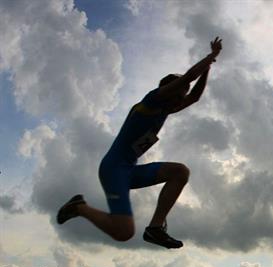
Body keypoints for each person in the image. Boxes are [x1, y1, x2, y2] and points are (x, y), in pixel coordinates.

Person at [57, 37, 223, 249]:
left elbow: (195, 96)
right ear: (168, 91)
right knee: (124, 232)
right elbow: (189, 77)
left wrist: (208, 67)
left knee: (180, 172)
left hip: (130, 170)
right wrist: (211, 56)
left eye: (181, 98)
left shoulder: (166, 109)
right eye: (178, 95)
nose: (181, 102)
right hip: (113, 169)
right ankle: (79, 207)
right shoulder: (151, 100)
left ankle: (155, 228)